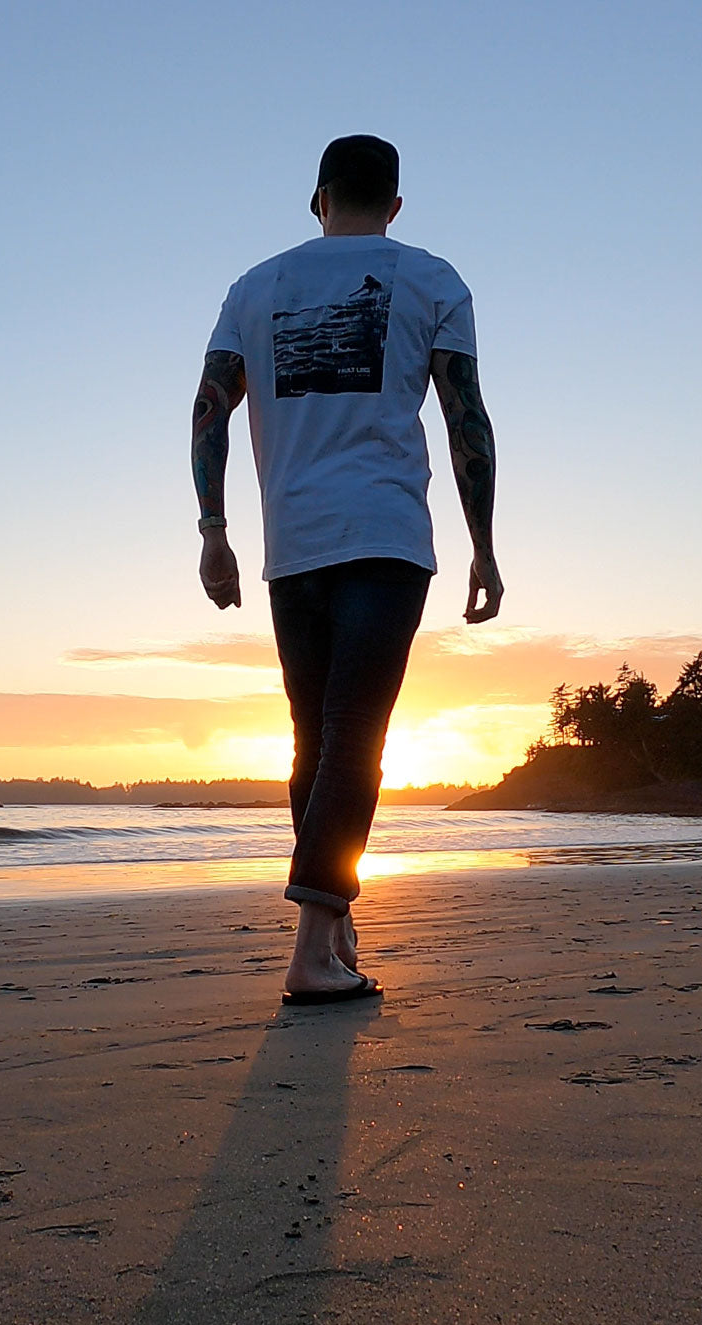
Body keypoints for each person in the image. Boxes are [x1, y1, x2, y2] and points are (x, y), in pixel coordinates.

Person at [192, 134, 502, 1005]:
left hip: (293, 546)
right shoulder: (433, 279)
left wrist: (213, 529)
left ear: (318, 198)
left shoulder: (255, 287)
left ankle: (332, 932)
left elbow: (209, 411)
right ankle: (310, 951)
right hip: (388, 535)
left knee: (316, 740)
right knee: (354, 739)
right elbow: (466, 419)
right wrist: (482, 544)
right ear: (395, 205)